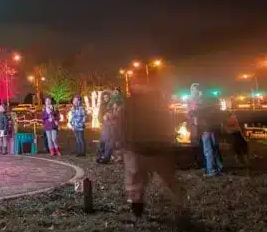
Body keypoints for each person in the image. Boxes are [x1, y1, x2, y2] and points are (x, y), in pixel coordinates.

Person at [120, 79, 188, 223]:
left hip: (152, 148)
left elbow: (165, 121)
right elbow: (125, 125)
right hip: (141, 148)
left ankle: (181, 206)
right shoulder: (133, 104)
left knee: (164, 180)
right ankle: (138, 209)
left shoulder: (149, 103)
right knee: (136, 181)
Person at [189, 83, 224, 177]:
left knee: (208, 150)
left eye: (193, 90)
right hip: (214, 127)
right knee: (215, 148)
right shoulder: (213, 98)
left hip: (207, 127)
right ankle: (219, 167)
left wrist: (193, 113)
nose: (192, 92)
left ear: (198, 91)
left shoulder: (202, 100)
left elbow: (203, 112)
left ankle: (211, 171)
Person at [96, 91, 122, 164]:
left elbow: (117, 115)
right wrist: (102, 118)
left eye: (107, 97)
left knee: (109, 143)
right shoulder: (102, 105)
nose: (105, 98)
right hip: (105, 125)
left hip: (112, 126)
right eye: (104, 97)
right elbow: (100, 115)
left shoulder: (113, 104)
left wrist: (109, 116)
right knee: (102, 141)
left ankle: (106, 158)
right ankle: (100, 156)